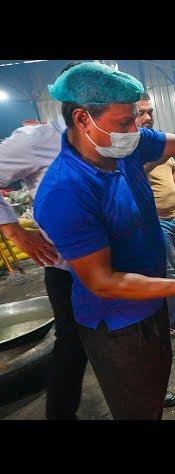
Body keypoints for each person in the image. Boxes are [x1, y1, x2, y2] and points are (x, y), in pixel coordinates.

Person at [33, 62, 175, 420]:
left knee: (154, 391)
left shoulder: (123, 148)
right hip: (117, 326)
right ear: (82, 119)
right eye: (124, 122)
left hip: (151, 305)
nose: (135, 128)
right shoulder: (66, 189)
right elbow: (103, 282)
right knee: (137, 407)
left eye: (136, 118)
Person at [0, 67, 85, 420]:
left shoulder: (120, 137)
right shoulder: (39, 140)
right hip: (67, 269)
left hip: (117, 264)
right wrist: (15, 232)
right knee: (72, 348)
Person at [136, 93, 175, 344]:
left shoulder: (157, 142)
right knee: (169, 272)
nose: (147, 117)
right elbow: (131, 178)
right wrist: (155, 158)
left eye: (149, 111)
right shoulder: (129, 149)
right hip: (156, 221)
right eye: (140, 112)